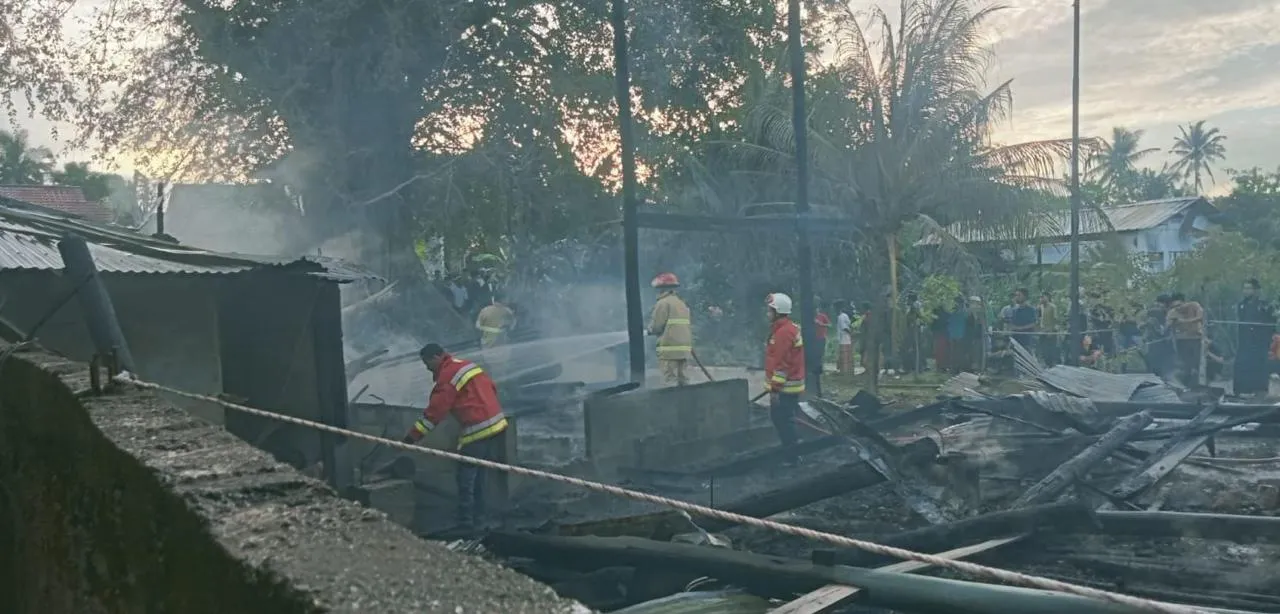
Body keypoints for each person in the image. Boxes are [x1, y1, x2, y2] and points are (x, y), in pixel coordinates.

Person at [402, 344, 509, 531]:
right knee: (479, 475)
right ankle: (480, 518)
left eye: (427, 363)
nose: (426, 368)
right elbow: (491, 386)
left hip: (479, 428)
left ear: (436, 357)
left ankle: (466, 522)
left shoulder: (447, 377)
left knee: (466, 477)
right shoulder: (465, 364)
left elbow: (435, 412)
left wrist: (412, 437)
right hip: (497, 425)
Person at [764, 292, 805, 457]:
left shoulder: (783, 333)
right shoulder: (786, 329)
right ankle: (792, 451)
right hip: (787, 386)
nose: (767, 313)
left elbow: (781, 364)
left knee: (782, 420)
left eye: (769, 310)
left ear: (777, 311)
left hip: (785, 388)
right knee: (784, 419)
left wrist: (775, 389)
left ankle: (793, 455)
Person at [648, 273, 693, 386]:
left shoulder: (663, 303)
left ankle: (672, 403)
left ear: (662, 289)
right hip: (684, 350)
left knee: (670, 380)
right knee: (684, 381)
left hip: (669, 349)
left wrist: (649, 330)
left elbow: (656, 326)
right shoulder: (681, 303)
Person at [1234, 278, 1274, 396]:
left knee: (1259, 366)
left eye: (1248, 288)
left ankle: (1259, 391)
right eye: (1244, 288)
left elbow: (1271, 323)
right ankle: (1241, 391)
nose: (1246, 291)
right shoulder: (1241, 305)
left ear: (1255, 290)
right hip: (1245, 341)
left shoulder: (1264, 305)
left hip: (1260, 342)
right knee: (1241, 364)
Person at [1166, 292, 1205, 387]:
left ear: (1185, 302)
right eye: (1175, 306)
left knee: (1196, 364)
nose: (1178, 308)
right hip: (1181, 341)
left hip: (1196, 338)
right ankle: (1185, 386)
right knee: (1185, 365)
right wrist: (1171, 322)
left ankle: (1196, 385)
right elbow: (1167, 325)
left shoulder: (1194, 305)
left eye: (1180, 305)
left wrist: (1184, 321)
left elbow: (1201, 317)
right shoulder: (1172, 312)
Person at [810, 306, 831, 394]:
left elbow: (830, 325)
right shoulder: (810, 318)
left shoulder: (822, 316)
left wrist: (821, 324)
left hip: (821, 337)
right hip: (813, 339)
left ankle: (820, 369)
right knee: (815, 355)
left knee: (820, 354)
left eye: (816, 309)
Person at [1038, 291, 1060, 366]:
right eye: (1040, 297)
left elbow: (1055, 319)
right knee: (1043, 350)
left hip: (1051, 331)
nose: (1041, 299)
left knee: (1050, 350)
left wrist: (1051, 330)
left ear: (1047, 297)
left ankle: (1052, 365)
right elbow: (1039, 318)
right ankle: (1046, 364)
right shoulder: (1040, 307)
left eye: (1043, 297)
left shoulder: (1052, 307)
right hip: (1042, 331)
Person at [835, 301, 854, 374]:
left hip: (844, 338)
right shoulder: (844, 316)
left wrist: (850, 333)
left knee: (844, 355)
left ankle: (845, 371)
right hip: (844, 337)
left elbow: (844, 328)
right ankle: (846, 370)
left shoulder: (841, 317)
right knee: (845, 355)